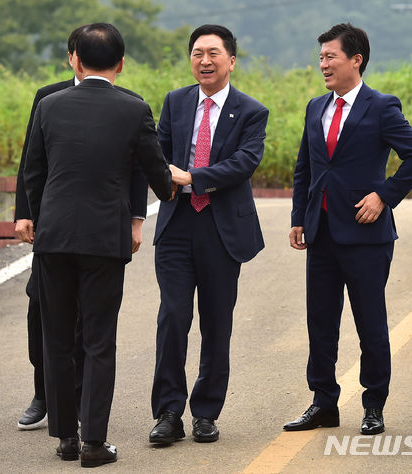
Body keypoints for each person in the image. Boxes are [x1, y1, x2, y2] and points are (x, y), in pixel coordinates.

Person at [24, 23, 173, 467]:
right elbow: (156, 174)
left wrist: (46, 215)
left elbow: (34, 173)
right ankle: (94, 444)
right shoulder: (133, 109)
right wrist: (170, 186)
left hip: (53, 240)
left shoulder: (49, 106)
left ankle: (66, 439)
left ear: (76, 60)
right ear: (121, 64)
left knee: (57, 339)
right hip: (104, 242)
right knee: (98, 340)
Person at [283, 23, 412, 435]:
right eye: (321, 58)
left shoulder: (381, 107)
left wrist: (383, 195)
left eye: (330, 57)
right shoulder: (316, 107)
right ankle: (323, 403)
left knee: (370, 324)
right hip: (321, 233)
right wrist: (299, 217)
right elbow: (305, 169)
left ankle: (373, 405)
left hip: (366, 236)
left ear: (356, 59)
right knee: (321, 324)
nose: (323, 64)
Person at [149, 24, 268, 445]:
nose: (205, 60)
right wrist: (165, 176)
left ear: (231, 60)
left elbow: (243, 164)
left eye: (213, 53)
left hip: (222, 231)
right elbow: (158, 152)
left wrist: (192, 177)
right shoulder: (176, 102)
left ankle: (205, 412)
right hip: (177, 227)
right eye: (197, 53)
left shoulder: (251, 111)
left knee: (217, 325)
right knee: (173, 318)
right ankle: (167, 412)